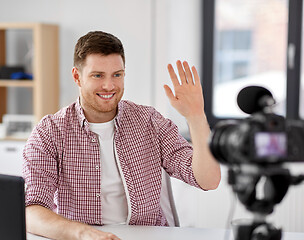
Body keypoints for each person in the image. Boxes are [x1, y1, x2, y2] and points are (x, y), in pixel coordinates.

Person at [23, 31, 221, 240]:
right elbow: (31, 210)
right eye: (97, 75)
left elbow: (208, 180)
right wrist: (83, 233)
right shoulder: (50, 131)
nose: (109, 86)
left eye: (117, 74)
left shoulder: (149, 121)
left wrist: (196, 116)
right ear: (77, 77)